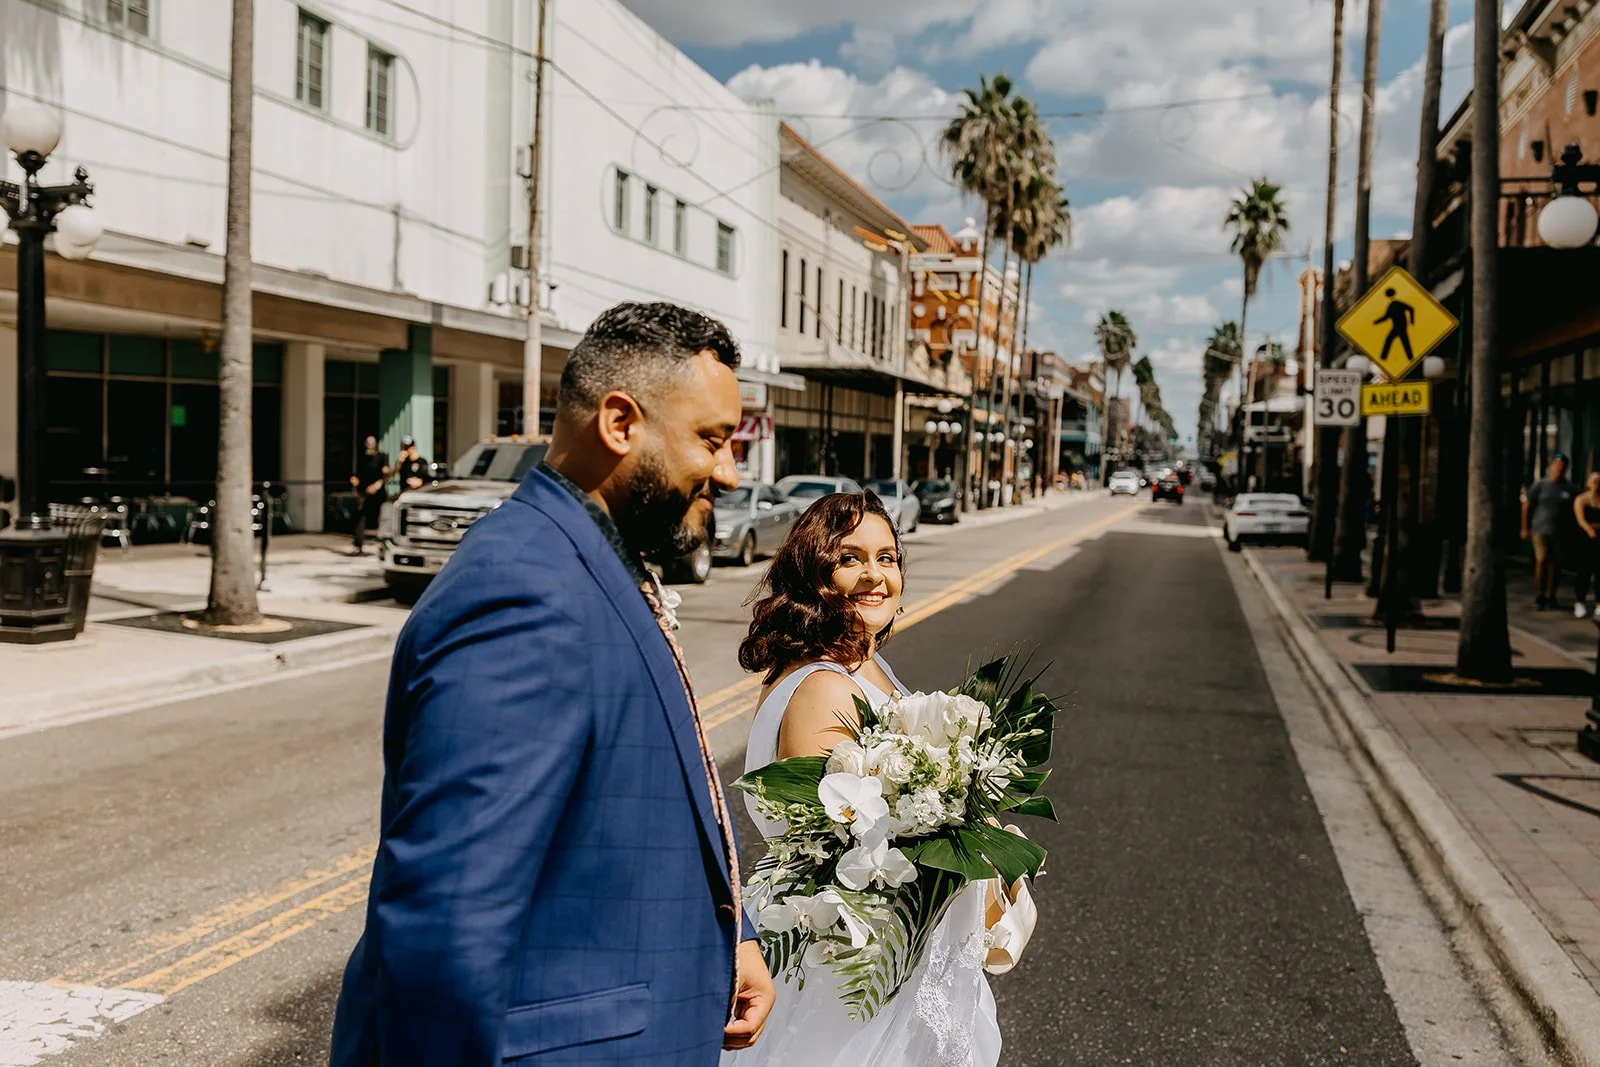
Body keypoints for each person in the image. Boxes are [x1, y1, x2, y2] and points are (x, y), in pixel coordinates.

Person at [329, 302, 775, 1067]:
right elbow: (445, 930)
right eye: (711, 439)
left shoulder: (597, 556)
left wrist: (731, 932)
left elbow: (641, 796)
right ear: (620, 423)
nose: (729, 471)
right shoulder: (522, 592)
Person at [725, 492, 1032, 1067]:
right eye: (850, 559)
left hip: (887, 956)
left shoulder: (860, 663)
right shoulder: (824, 686)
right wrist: (972, 848)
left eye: (887, 558)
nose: (875, 576)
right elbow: (843, 857)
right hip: (849, 970)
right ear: (814, 573)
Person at [1523, 454, 1575, 611]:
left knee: (1555, 565)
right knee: (1542, 560)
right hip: (1540, 529)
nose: (1559, 468)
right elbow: (1527, 506)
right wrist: (1524, 528)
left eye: (1562, 466)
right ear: (1551, 466)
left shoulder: (1570, 488)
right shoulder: (1541, 485)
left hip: (1560, 532)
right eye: (1557, 465)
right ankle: (1541, 594)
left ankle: (1551, 595)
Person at [349, 435, 389, 554]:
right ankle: (358, 544)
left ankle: (383, 543)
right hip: (364, 490)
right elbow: (356, 474)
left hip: (377, 490)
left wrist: (376, 486)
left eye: (372, 443)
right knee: (361, 516)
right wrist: (354, 479)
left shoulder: (382, 457)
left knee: (381, 517)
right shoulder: (362, 458)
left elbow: (386, 474)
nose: (369, 445)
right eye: (368, 443)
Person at [1572, 471, 1600, 618]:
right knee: (1584, 571)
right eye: (1594, 480)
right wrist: (1590, 530)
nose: (1597, 483)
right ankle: (1579, 601)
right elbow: (1581, 520)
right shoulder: (1581, 499)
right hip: (1585, 540)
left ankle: (1599, 604)